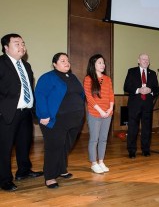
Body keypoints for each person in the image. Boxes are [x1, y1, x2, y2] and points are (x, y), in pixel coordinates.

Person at [35, 52, 85, 189]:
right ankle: (50, 176)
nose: (66, 63)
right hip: (56, 120)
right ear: (54, 64)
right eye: (62, 60)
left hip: (75, 120)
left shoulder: (72, 76)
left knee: (65, 146)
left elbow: (81, 94)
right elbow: (40, 95)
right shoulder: (47, 78)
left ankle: (62, 169)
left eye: (67, 60)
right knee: (54, 147)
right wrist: (43, 115)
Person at [0, 33, 43, 192]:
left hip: (26, 113)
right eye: (17, 43)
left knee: (24, 144)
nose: (22, 46)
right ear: (6, 48)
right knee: (4, 148)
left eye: (23, 43)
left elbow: (28, 89)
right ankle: (4, 179)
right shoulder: (1, 63)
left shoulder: (26, 65)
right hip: (7, 113)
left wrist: (34, 109)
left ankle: (23, 171)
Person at [123, 53, 159, 158]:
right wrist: (139, 90)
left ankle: (146, 149)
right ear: (138, 60)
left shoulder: (152, 73)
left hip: (147, 105)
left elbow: (156, 89)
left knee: (147, 129)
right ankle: (131, 151)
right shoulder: (132, 71)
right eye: (143, 59)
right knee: (133, 129)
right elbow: (126, 87)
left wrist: (150, 90)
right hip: (134, 105)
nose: (146, 61)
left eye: (147, 59)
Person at [84, 54, 114, 174]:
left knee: (103, 139)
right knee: (94, 139)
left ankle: (101, 161)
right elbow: (89, 97)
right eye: (100, 63)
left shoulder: (107, 79)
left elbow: (111, 95)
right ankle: (93, 163)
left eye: (103, 62)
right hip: (95, 113)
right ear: (93, 64)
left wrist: (110, 108)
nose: (103, 65)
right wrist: (100, 111)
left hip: (108, 113)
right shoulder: (88, 79)